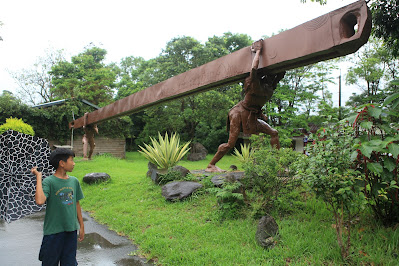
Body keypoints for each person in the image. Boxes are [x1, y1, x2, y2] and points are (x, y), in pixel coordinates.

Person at [206, 39, 285, 172]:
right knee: (231, 143)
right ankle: (211, 165)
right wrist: (258, 52)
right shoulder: (255, 84)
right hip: (239, 112)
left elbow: (281, 72)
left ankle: (278, 165)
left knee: (274, 133)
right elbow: (253, 69)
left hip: (252, 115)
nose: (272, 79)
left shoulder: (270, 88)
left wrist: (260, 113)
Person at [31, 148, 84, 265]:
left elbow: (76, 204)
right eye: (71, 160)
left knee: (69, 263)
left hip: (71, 230)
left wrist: (81, 225)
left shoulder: (74, 181)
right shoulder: (49, 182)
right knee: (50, 262)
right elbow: (40, 200)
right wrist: (39, 177)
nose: (74, 163)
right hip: (53, 233)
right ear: (62, 163)